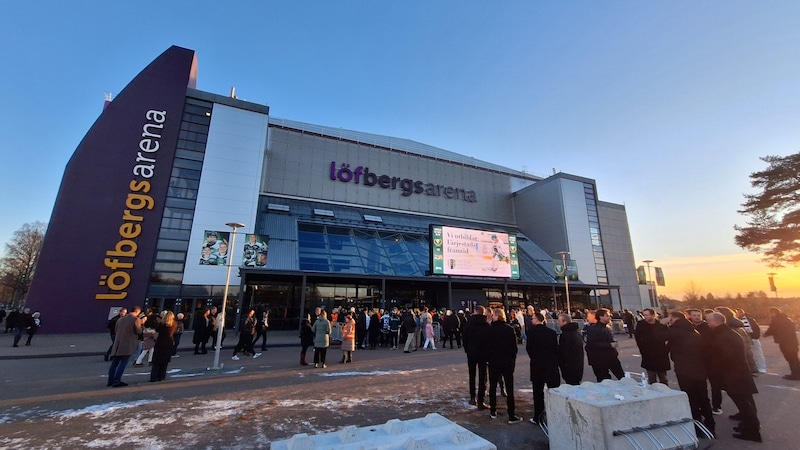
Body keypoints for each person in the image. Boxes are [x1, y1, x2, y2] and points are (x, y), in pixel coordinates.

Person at [706, 312, 761, 442]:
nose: (707, 323)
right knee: (746, 404)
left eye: (708, 321)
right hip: (738, 374)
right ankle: (747, 427)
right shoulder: (727, 332)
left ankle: (752, 432)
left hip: (734, 376)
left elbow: (726, 357)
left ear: (715, 321)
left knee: (744, 405)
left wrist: (716, 369)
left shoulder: (723, 335)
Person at [662, 311, 715, 435]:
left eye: (671, 318)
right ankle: (710, 424)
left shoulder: (676, 331)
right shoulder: (694, 331)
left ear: (674, 319)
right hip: (699, 369)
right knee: (704, 398)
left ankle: (697, 426)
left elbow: (657, 336)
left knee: (692, 399)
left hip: (684, 370)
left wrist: (662, 324)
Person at [486, 308, 522, 424]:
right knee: (509, 388)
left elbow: (486, 347)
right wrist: (512, 359)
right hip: (507, 361)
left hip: (493, 362)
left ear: (495, 316)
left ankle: (493, 411)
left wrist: (489, 359)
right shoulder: (509, 329)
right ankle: (511, 414)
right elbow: (514, 348)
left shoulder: (490, 330)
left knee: (492, 386)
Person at [526, 312, 560, 425]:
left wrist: (535, 357)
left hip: (537, 365)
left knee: (538, 392)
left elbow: (529, 349)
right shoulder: (552, 333)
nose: (531, 320)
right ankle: (556, 413)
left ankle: (538, 416)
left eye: (533, 318)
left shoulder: (531, 333)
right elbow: (555, 349)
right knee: (553, 390)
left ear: (538, 319)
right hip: (550, 365)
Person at [107, 306, 143, 387]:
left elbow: (116, 330)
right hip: (127, 344)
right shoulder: (135, 319)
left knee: (114, 363)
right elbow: (138, 331)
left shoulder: (121, 319)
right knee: (123, 363)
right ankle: (117, 381)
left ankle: (110, 381)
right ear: (137, 312)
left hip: (118, 344)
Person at [585, 308, 625, 381]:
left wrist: (614, 343)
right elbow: (592, 344)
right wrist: (609, 345)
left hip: (611, 357)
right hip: (599, 359)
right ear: (601, 317)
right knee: (604, 380)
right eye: (607, 316)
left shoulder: (607, 327)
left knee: (622, 377)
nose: (609, 317)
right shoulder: (593, 329)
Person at [463, 305, 490, 408]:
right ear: (483, 313)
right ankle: (481, 400)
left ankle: (472, 397)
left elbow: (464, 338)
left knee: (472, 375)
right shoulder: (486, 325)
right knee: (483, 376)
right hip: (483, 353)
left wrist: (467, 350)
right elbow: (489, 341)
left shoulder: (469, 324)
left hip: (471, 353)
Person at [634, 308, 670, 385]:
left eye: (647, 315)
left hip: (660, 353)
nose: (645, 317)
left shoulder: (660, 325)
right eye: (644, 315)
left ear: (653, 315)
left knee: (663, 377)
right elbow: (637, 337)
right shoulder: (641, 324)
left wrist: (666, 349)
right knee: (651, 377)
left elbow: (668, 336)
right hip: (648, 353)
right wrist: (642, 349)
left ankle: (665, 392)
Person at [763, 307, 800, 380]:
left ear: (774, 313)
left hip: (785, 343)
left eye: (770, 313)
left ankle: (795, 375)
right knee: (795, 359)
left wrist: (765, 335)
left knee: (790, 359)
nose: (770, 315)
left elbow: (771, 329)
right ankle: (797, 374)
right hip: (793, 342)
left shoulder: (776, 320)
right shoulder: (788, 319)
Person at [556, 313, 584, 385]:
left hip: (569, 365)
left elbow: (564, 351)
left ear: (564, 322)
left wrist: (562, 363)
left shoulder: (566, 335)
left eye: (559, 321)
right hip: (577, 363)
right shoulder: (576, 333)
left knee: (571, 383)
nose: (558, 322)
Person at [150, 311, 178, 382]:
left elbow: (156, 330)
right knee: (165, 362)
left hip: (160, 342)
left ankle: (154, 377)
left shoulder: (161, 324)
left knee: (156, 362)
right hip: (169, 342)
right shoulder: (174, 324)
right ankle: (161, 377)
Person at [736, 309, 766, 374]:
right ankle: (755, 368)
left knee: (757, 353)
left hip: (752, 338)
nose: (737, 314)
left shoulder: (748, 320)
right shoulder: (739, 320)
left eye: (739, 312)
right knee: (751, 354)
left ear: (742, 313)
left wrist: (755, 336)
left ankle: (762, 368)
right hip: (747, 338)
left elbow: (752, 329)